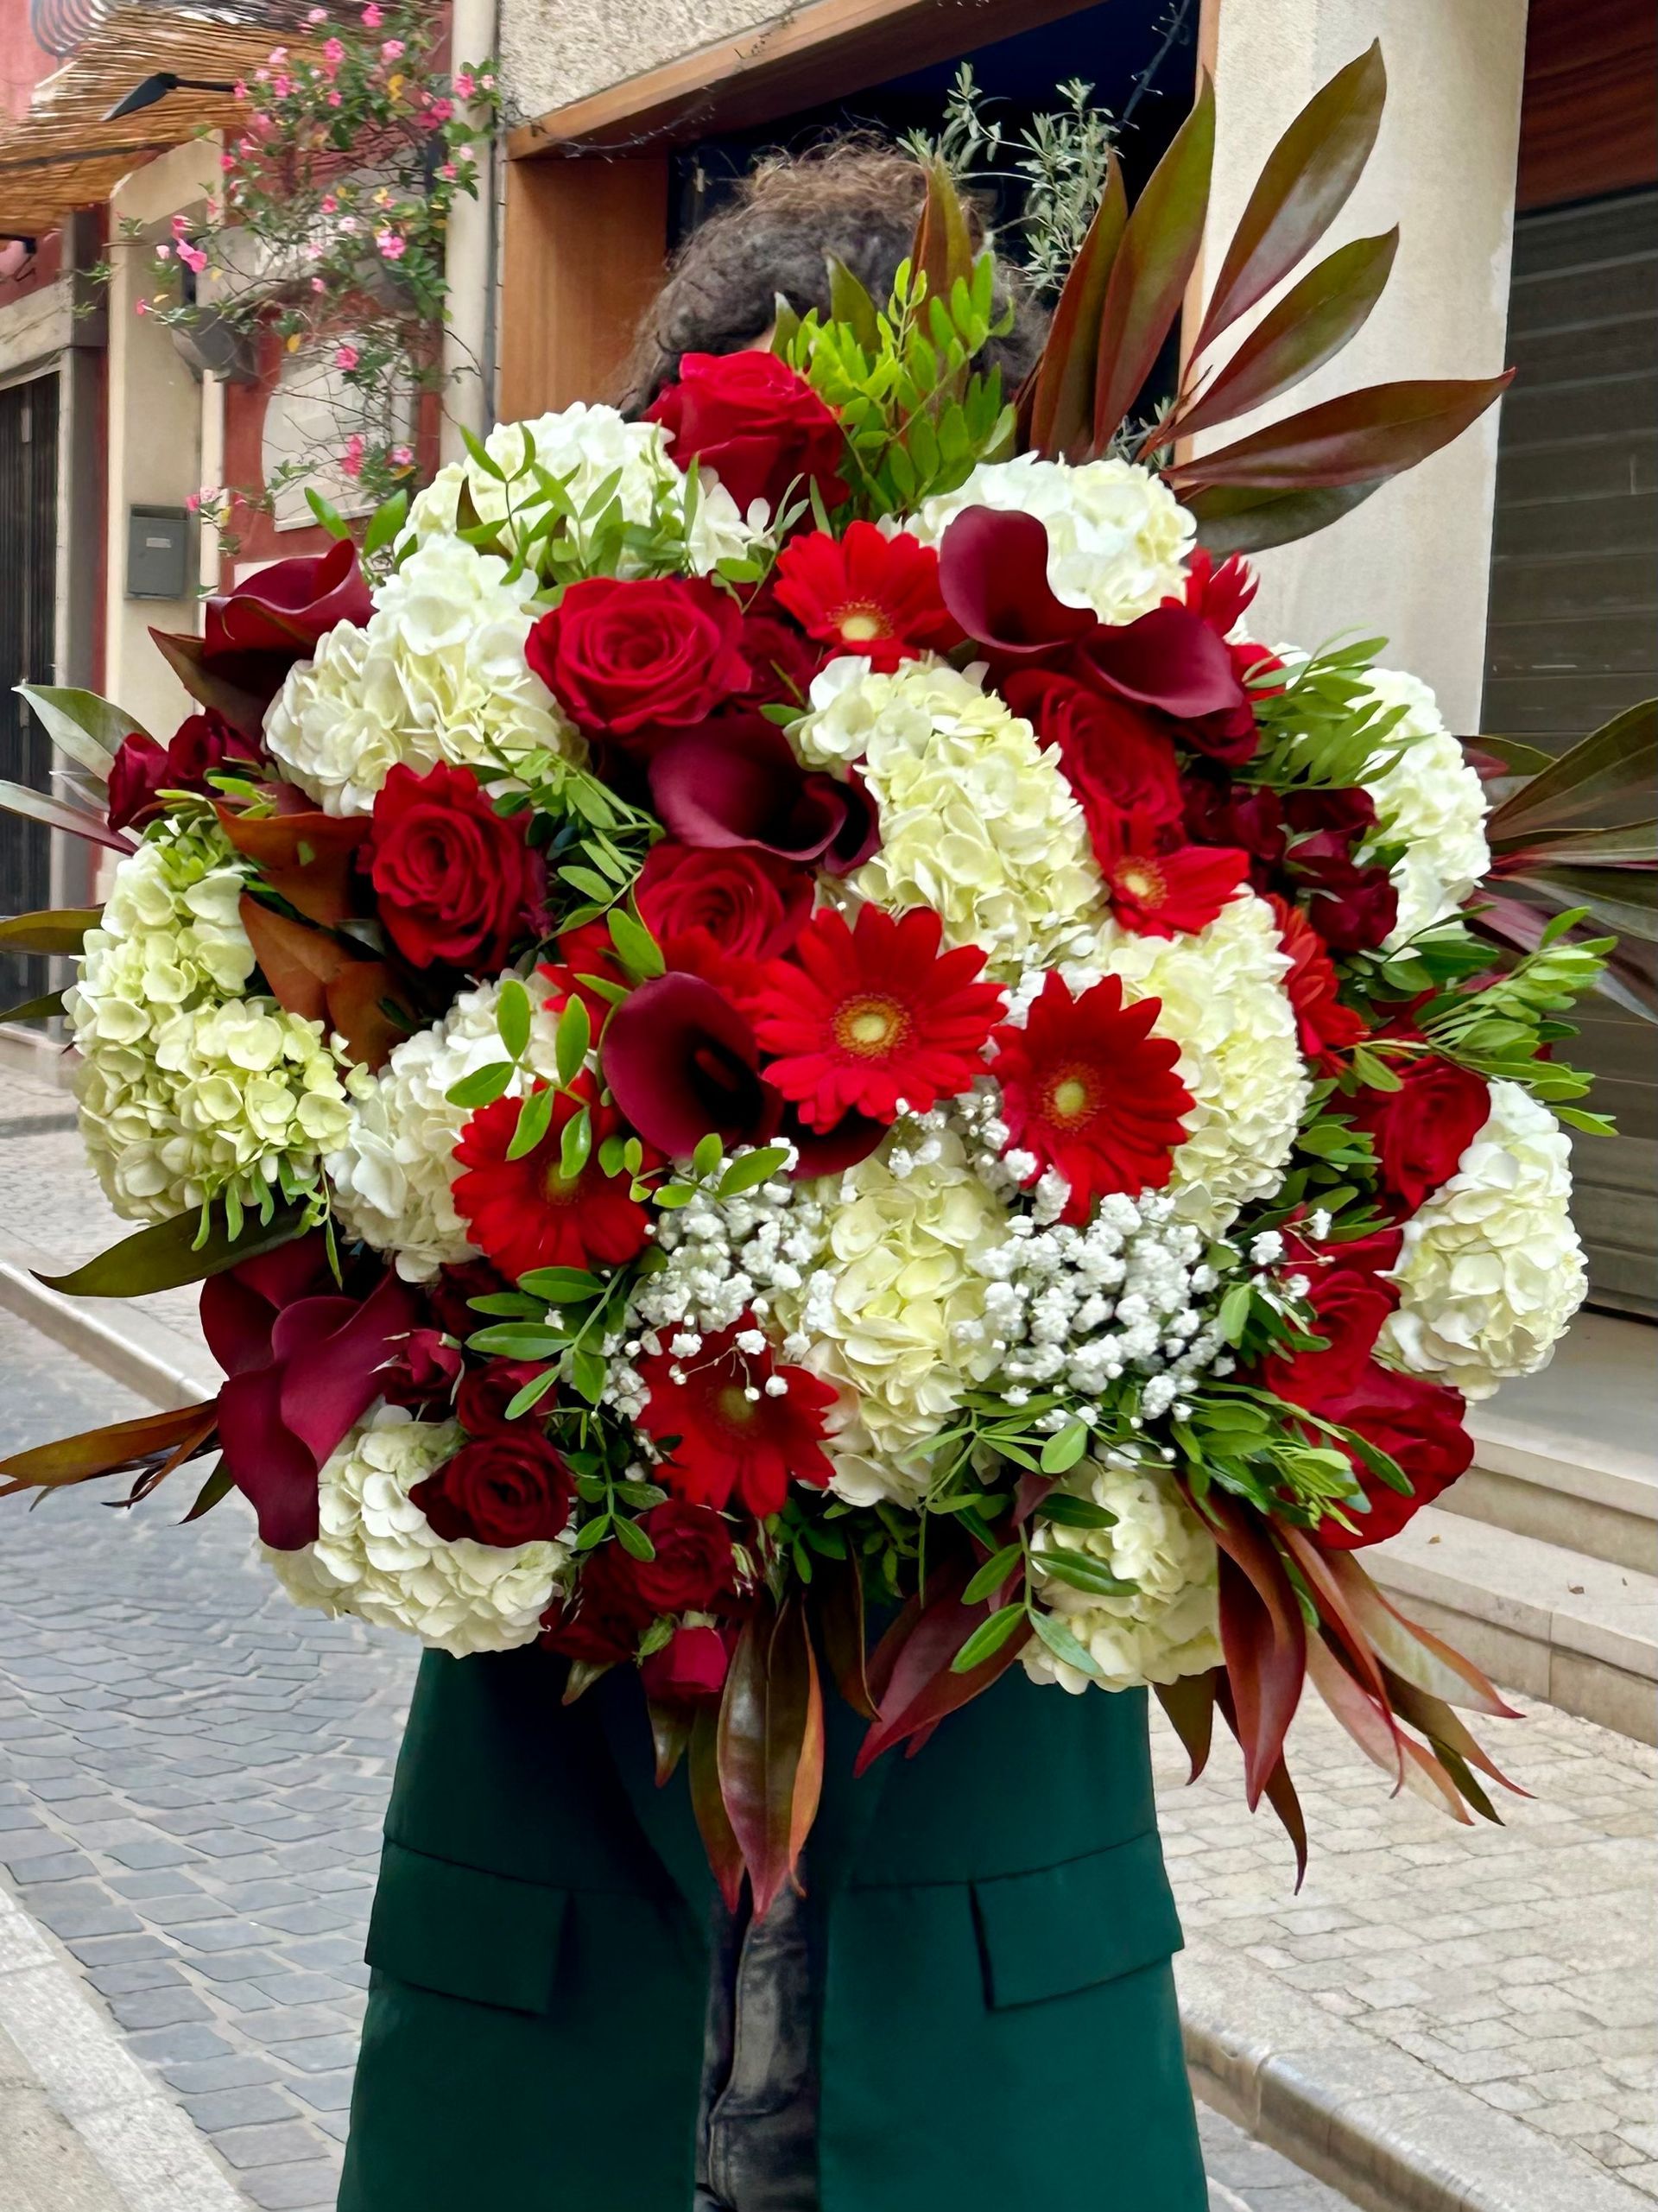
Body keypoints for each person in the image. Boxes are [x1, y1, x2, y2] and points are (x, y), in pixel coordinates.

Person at [338, 143, 1208, 2212]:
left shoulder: (1147, 864)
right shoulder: (472, 822)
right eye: (754, 496)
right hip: (549, 2008)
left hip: (992, 2038)